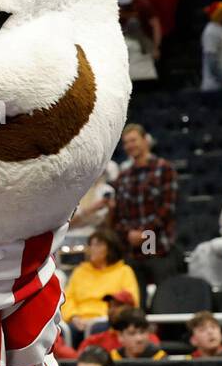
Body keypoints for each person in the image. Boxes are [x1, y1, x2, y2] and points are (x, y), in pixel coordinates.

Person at [111, 123, 178, 296]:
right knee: (135, 303)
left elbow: (167, 207)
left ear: (145, 140)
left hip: (159, 248)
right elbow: (118, 215)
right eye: (126, 143)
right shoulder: (122, 177)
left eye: (133, 140)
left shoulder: (164, 168)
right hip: (133, 252)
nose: (130, 145)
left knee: (166, 300)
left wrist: (144, 233)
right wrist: (129, 234)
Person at [61, 229, 139, 337]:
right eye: (91, 245)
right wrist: (73, 317)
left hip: (106, 320)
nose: (92, 249)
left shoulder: (124, 271)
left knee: (98, 328)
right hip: (78, 320)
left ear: (110, 249)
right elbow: (67, 298)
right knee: (61, 332)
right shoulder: (80, 271)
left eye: (98, 245)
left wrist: (101, 318)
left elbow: (131, 300)